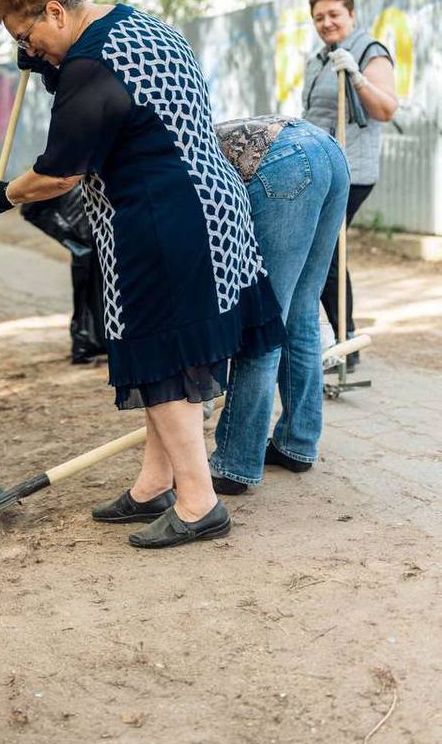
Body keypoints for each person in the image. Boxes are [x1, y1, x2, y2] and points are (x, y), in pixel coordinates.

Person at [0, 0, 285, 551]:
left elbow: (62, 171)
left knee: (160, 355)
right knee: (168, 352)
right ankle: (154, 484)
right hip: (209, 203)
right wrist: (50, 68)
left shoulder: (90, 64)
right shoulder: (137, 24)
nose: (26, 48)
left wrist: (6, 193)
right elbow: (124, 110)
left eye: (25, 35)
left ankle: (199, 504)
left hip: (160, 220)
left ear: (55, 11)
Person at [112, 115, 349, 506]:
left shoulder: (158, 181)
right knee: (302, 308)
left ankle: (236, 463)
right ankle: (298, 443)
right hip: (328, 152)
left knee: (263, 320)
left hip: (285, 163)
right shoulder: (177, 145)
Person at [303, 0, 397, 367]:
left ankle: (345, 343)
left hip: (351, 170)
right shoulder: (318, 58)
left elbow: (386, 109)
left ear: (351, 14)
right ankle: (337, 341)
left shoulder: (370, 51)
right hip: (319, 168)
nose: (326, 23)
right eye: (319, 17)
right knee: (323, 253)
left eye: (334, 14)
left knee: (326, 254)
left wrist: (357, 78)